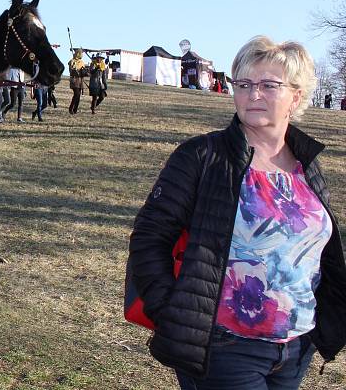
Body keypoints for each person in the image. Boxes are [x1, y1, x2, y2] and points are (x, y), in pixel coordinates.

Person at [128, 36, 346, 389]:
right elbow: (149, 238)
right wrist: (169, 311)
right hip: (225, 346)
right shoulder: (202, 157)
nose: (252, 94)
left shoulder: (307, 166)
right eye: (243, 84)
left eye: (268, 85)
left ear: (296, 96)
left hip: (296, 347)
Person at [67, 49, 87, 114]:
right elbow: (71, 70)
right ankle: (71, 108)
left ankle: (75, 110)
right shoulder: (72, 61)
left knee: (78, 96)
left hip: (80, 80)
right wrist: (73, 66)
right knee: (76, 94)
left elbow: (83, 71)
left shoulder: (82, 62)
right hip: (74, 79)